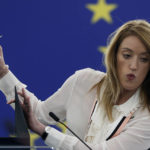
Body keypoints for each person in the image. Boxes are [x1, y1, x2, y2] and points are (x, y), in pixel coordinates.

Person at [0, 19, 150, 150]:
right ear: (114, 56)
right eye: (127, 55)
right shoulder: (84, 81)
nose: (134, 66)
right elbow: (38, 116)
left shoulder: (146, 119)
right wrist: (2, 73)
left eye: (144, 59)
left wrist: (44, 131)